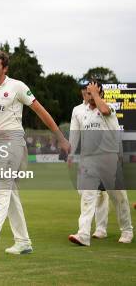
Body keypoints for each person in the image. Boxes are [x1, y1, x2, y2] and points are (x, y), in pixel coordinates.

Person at [0, 51, 70, 257]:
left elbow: (41, 111)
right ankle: (23, 242)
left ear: (5, 68)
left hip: (14, 143)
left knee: (1, 191)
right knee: (9, 194)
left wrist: (61, 138)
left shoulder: (17, 87)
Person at [68, 80, 133, 245]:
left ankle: (127, 231)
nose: (90, 96)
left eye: (93, 93)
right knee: (88, 198)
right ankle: (83, 234)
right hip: (89, 159)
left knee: (118, 197)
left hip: (109, 158)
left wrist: (96, 95)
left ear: (100, 93)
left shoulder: (108, 107)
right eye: (88, 93)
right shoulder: (84, 112)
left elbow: (103, 110)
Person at [69, 79, 109, 239]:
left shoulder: (104, 107)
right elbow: (74, 133)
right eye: (86, 90)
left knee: (102, 194)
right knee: (84, 191)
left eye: (91, 90)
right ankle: (86, 231)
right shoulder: (77, 110)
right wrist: (70, 153)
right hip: (86, 157)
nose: (88, 93)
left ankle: (100, 229)